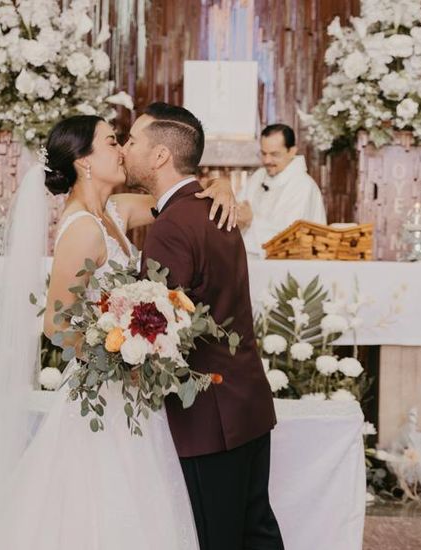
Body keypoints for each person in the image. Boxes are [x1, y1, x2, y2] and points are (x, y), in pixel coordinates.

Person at [0, 114, 239, 549]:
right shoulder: (79, 229)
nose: (122, 150)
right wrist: (117, 356)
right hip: (104, 388)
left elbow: (178, 197)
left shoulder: (116, 210)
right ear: (84, 162)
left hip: (135, 391)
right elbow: (57, 323)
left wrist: (221, 186)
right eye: (112, 141)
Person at [124, 102, 284, 550]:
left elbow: (154, 328)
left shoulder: (172, 225)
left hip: (209, 415)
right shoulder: (213, 208)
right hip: (246, 400)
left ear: (160, 156)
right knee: (256, 530)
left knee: (218, 539)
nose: (125, 150)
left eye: (133, 141)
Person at [237, 123, 327, 258]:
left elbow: (291, 237)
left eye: (274, 154)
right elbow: (239, 211)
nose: (267, 160)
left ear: (292, 151)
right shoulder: (258, 176)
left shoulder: (303, 186)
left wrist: (251, 220)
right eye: (263, 153)